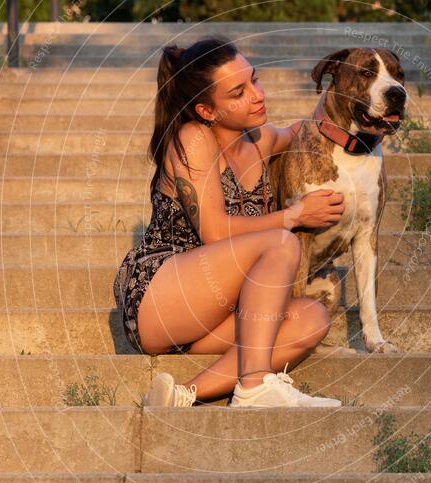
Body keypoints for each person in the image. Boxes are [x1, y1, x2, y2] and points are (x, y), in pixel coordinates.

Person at [112, 36, 347, 408]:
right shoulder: (192, 138)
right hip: (161, 299)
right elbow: (215, 232)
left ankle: (184, 394)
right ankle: (255, 386)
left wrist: (353, 106)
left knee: (312, 318)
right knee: (281, 240)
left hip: (216, 317)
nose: (257, 94)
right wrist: (295, 215)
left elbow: (307, 130)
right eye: (238, 92)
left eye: (254, 79)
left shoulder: (261, 140)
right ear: (207, 110)